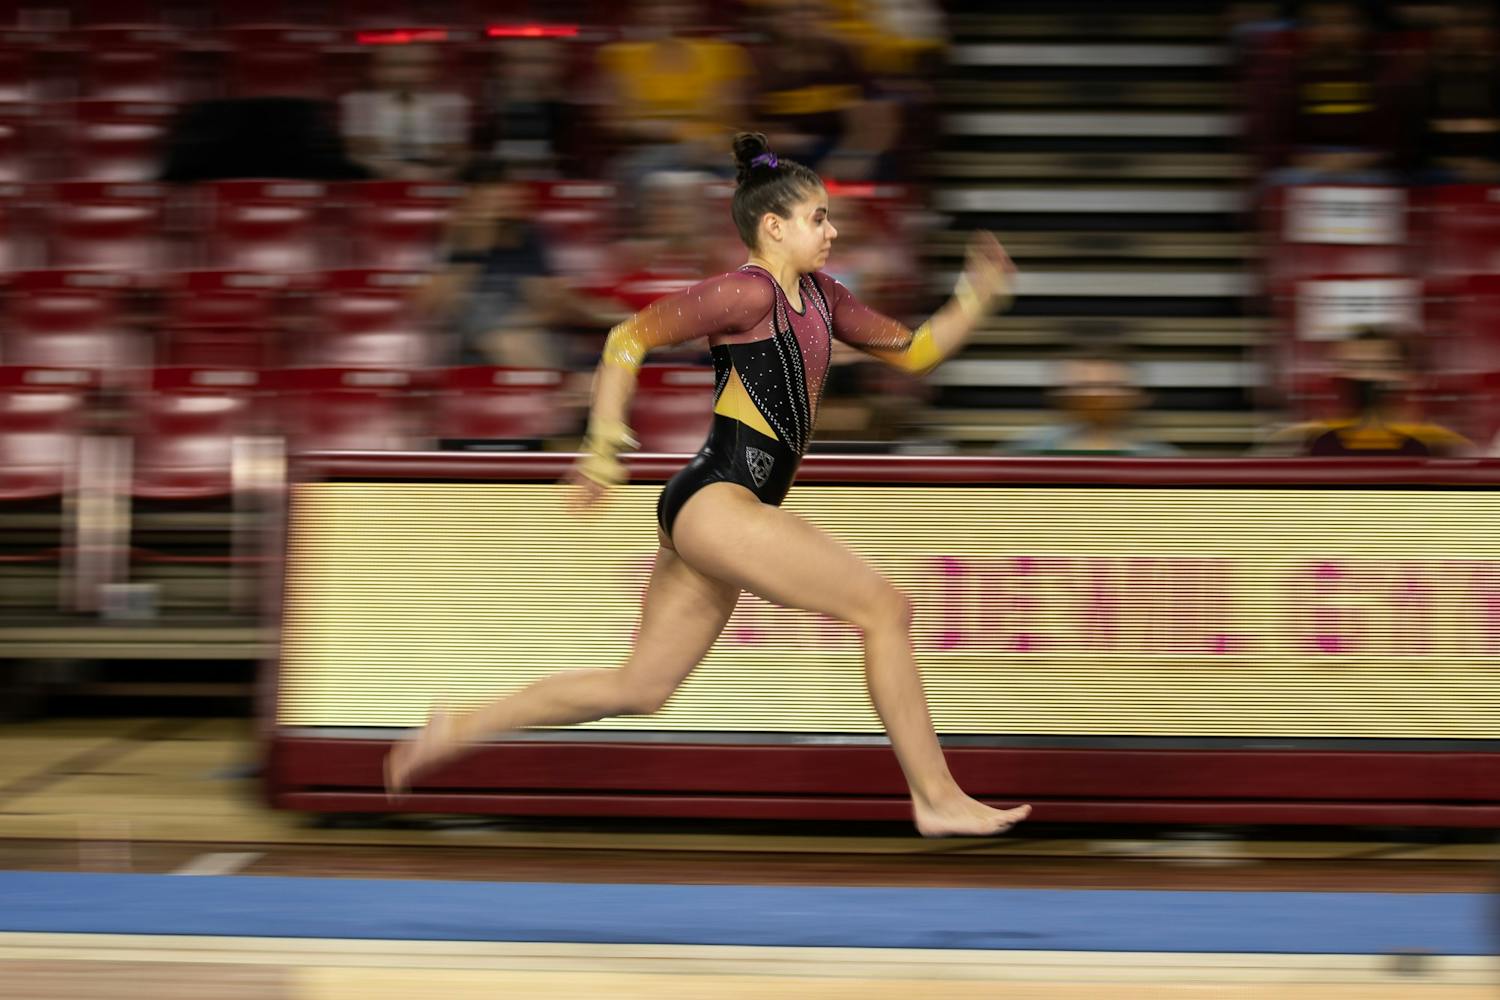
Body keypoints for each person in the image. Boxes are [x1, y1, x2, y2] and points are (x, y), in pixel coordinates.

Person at [386, 132, 1027, 838]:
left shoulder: (826, 298)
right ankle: (935, 796)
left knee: (641, 687)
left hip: (716, 506)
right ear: (773, 226)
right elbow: (626, 338)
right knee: (885, 607)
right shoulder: (745, 291)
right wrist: (601, 448)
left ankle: (461, 724)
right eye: (818, 218)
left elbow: (918, 352)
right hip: (718, 498)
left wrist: (977, 293)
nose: (833, 231)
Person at [1260, 326, 1474, 456]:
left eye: (1381, 366)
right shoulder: (1304, 440)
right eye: (1354, 366)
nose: (1367, 376)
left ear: (1407, 375)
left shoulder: (1440, 444)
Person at [1005, 347, 1180, 457]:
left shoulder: (1160, 457)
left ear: (1137, 396)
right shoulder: (1027, 451)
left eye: (1110, 386)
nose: (1096, 395)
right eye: (1084, 385)